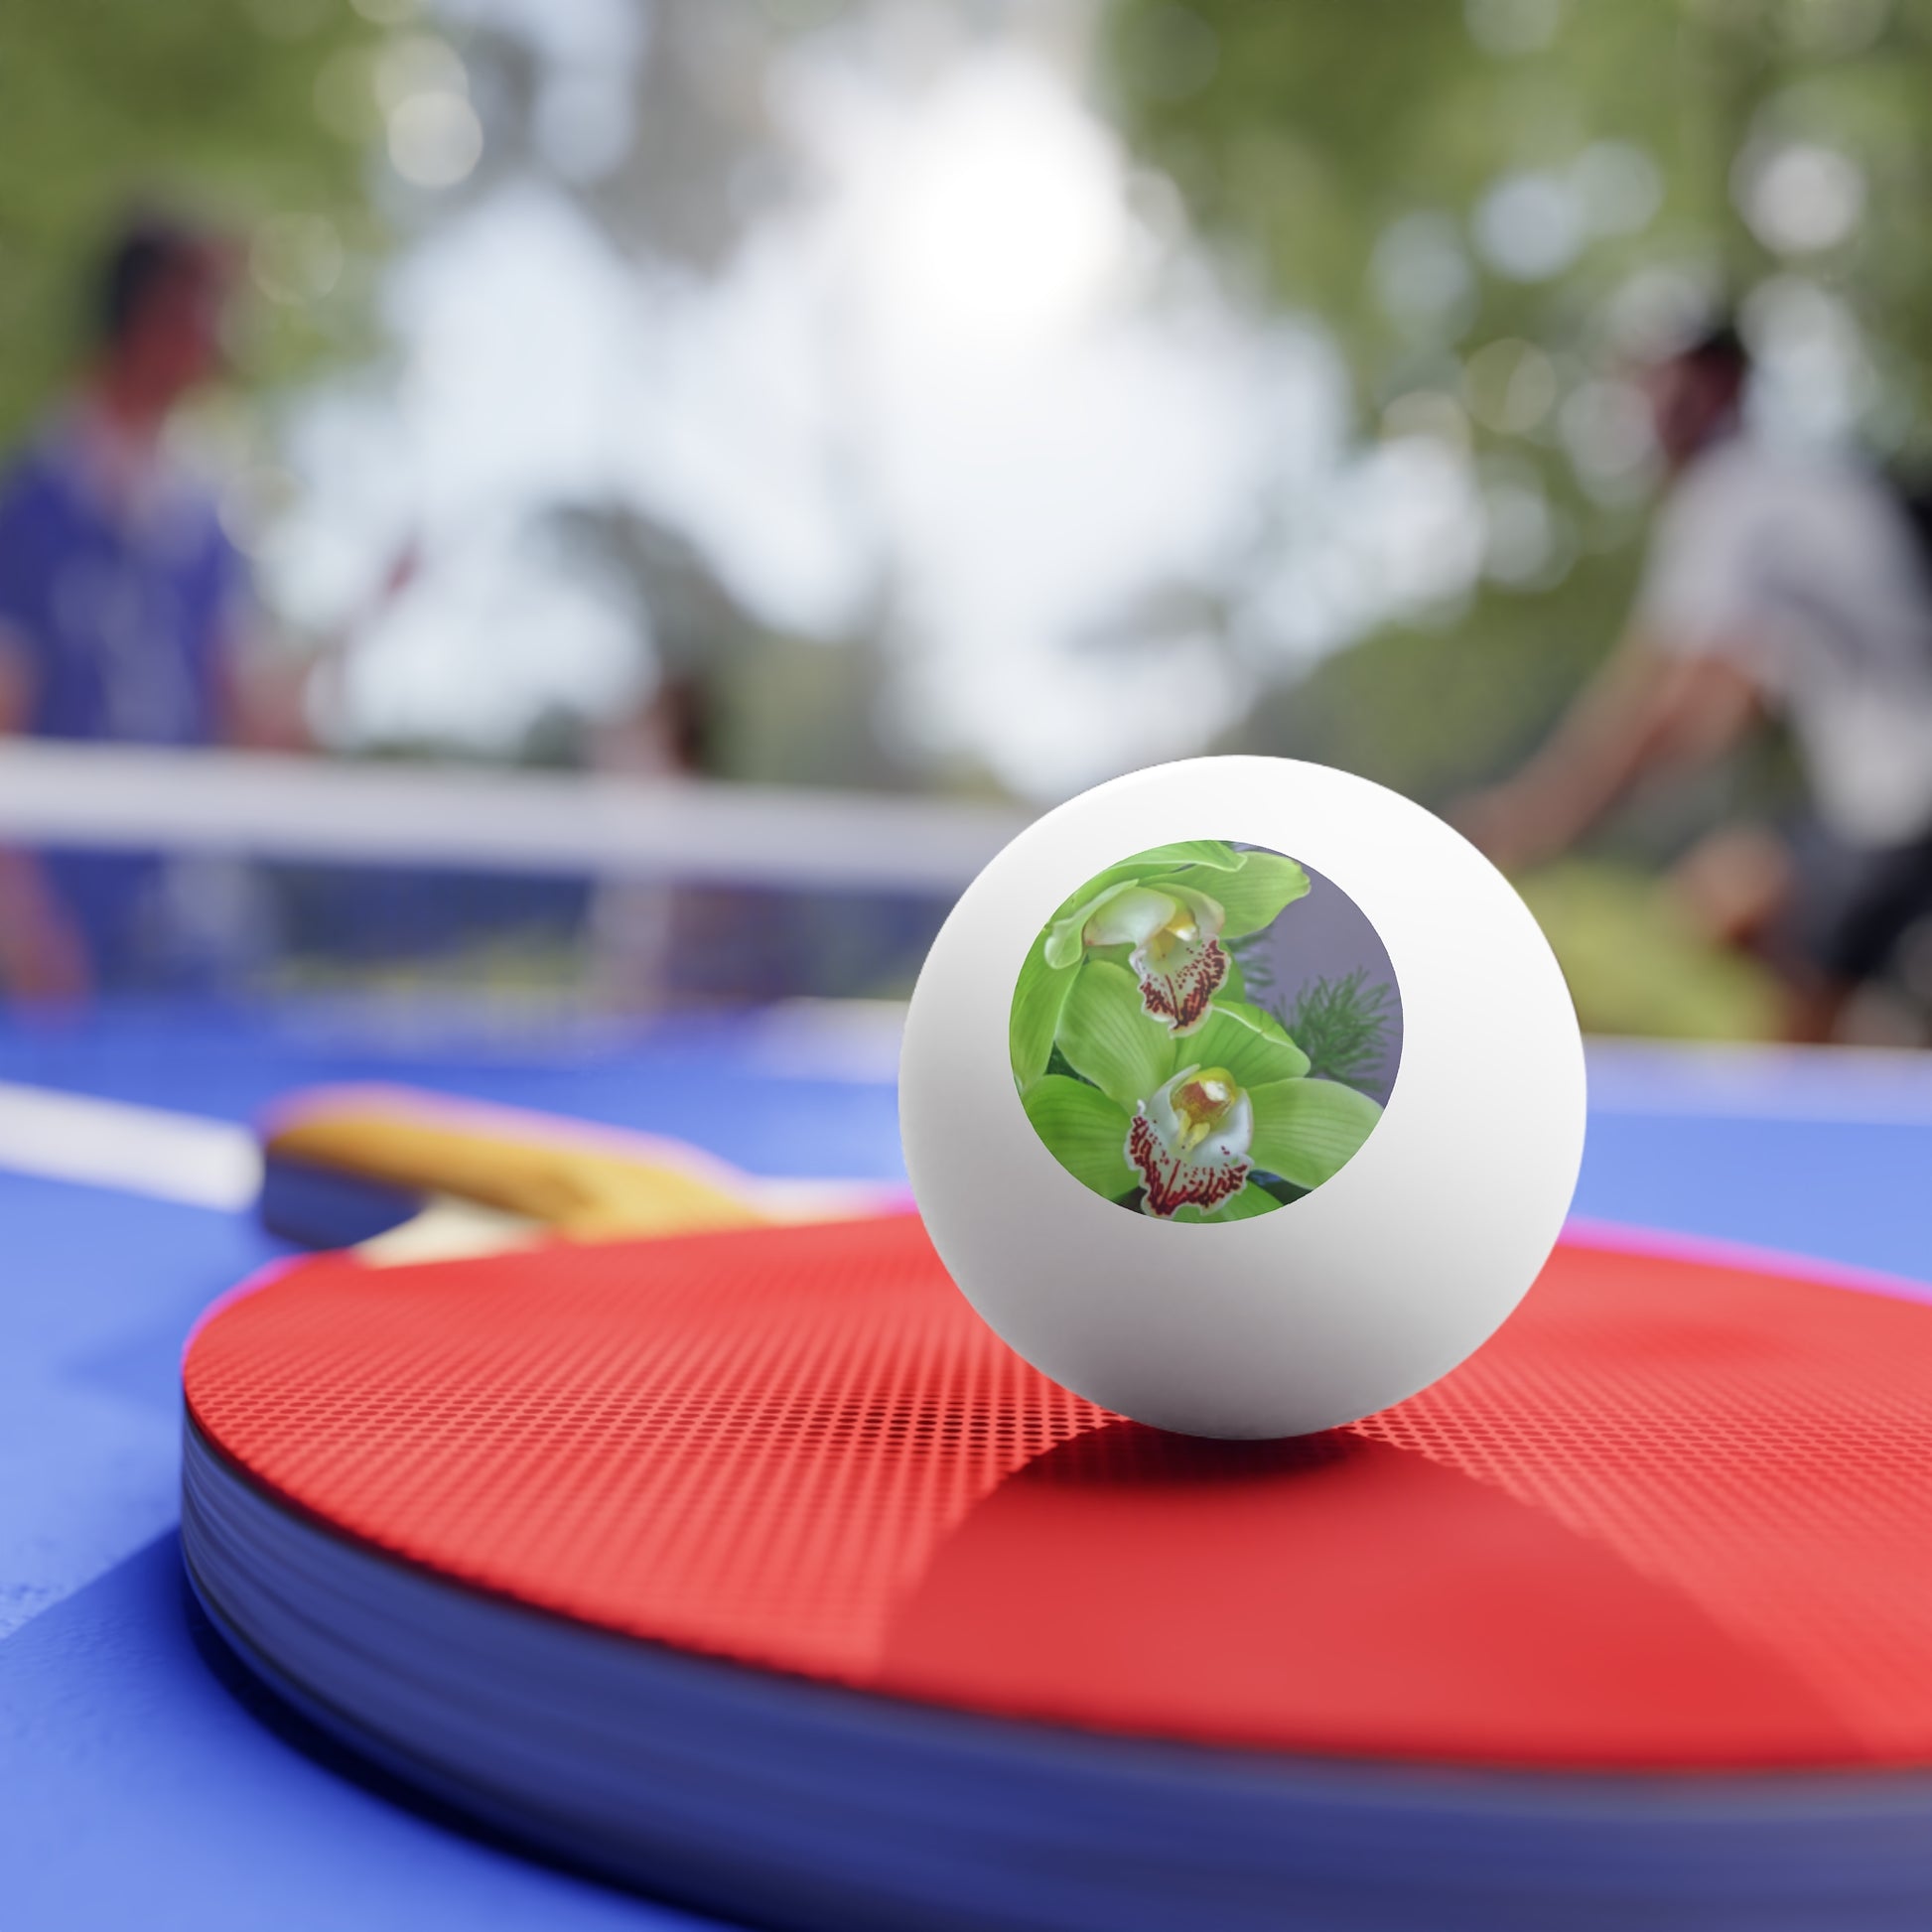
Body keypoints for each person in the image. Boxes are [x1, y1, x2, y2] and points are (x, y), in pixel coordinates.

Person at [1459, 325, 1932, 1040]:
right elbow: (1727, 703)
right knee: (1729, 912)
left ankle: (1871, 1052)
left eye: (1665, 379)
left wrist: (1534, 820)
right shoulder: (1799, 483)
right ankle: (1885, 1035)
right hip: (1878, 802)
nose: (1645, 405)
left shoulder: (1734, 494)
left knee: (1737, 951)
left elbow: (1663, 702)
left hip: (1899, 803)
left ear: (1722, 386)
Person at [0, 216, 301, 1000]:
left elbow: (245, 728)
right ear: (148, 316)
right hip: (53, 941)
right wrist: (19, 917)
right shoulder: (29, 511)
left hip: (185, 932)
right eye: (206, 306)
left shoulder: (210, 524)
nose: (222, 337)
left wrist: (362, 630)